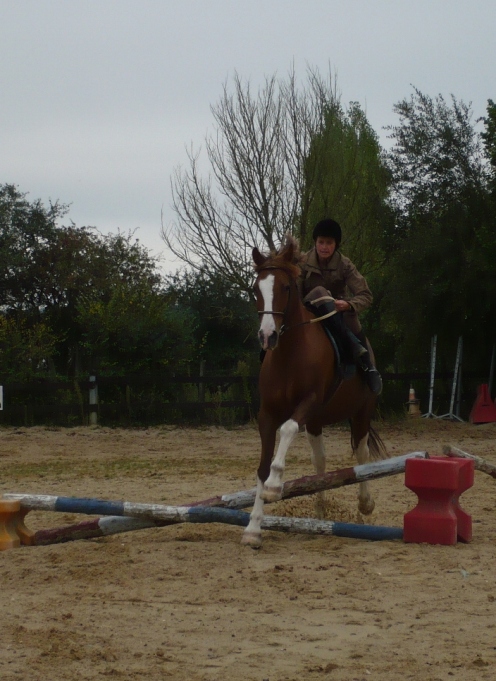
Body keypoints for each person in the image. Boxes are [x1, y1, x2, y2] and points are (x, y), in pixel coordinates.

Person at [297, 218, 382, 395]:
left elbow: (366, 295)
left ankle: (368, 366)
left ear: (336, 244)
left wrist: (349, 304)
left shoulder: (345, 264)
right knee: (319, 291)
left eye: (329, 242)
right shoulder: (303, 262)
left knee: (351, 315)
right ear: (315, 242)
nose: (324, 247)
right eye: (321, 242)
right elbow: (294, 293)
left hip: (337, 312)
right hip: (310, 313)